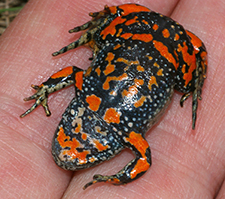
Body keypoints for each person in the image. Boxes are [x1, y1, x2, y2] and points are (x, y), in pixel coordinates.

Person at [0, 0, 224, 198]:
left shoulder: (124, 129)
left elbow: (145, 161)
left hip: (163, 40)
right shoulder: (106, 113)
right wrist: (43, 90)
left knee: (185, 83)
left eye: (67, 133)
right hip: (152, 34)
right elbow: (143, 160)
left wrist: (44, 90)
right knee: (184, 84)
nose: (65, 155)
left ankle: (195, 60)